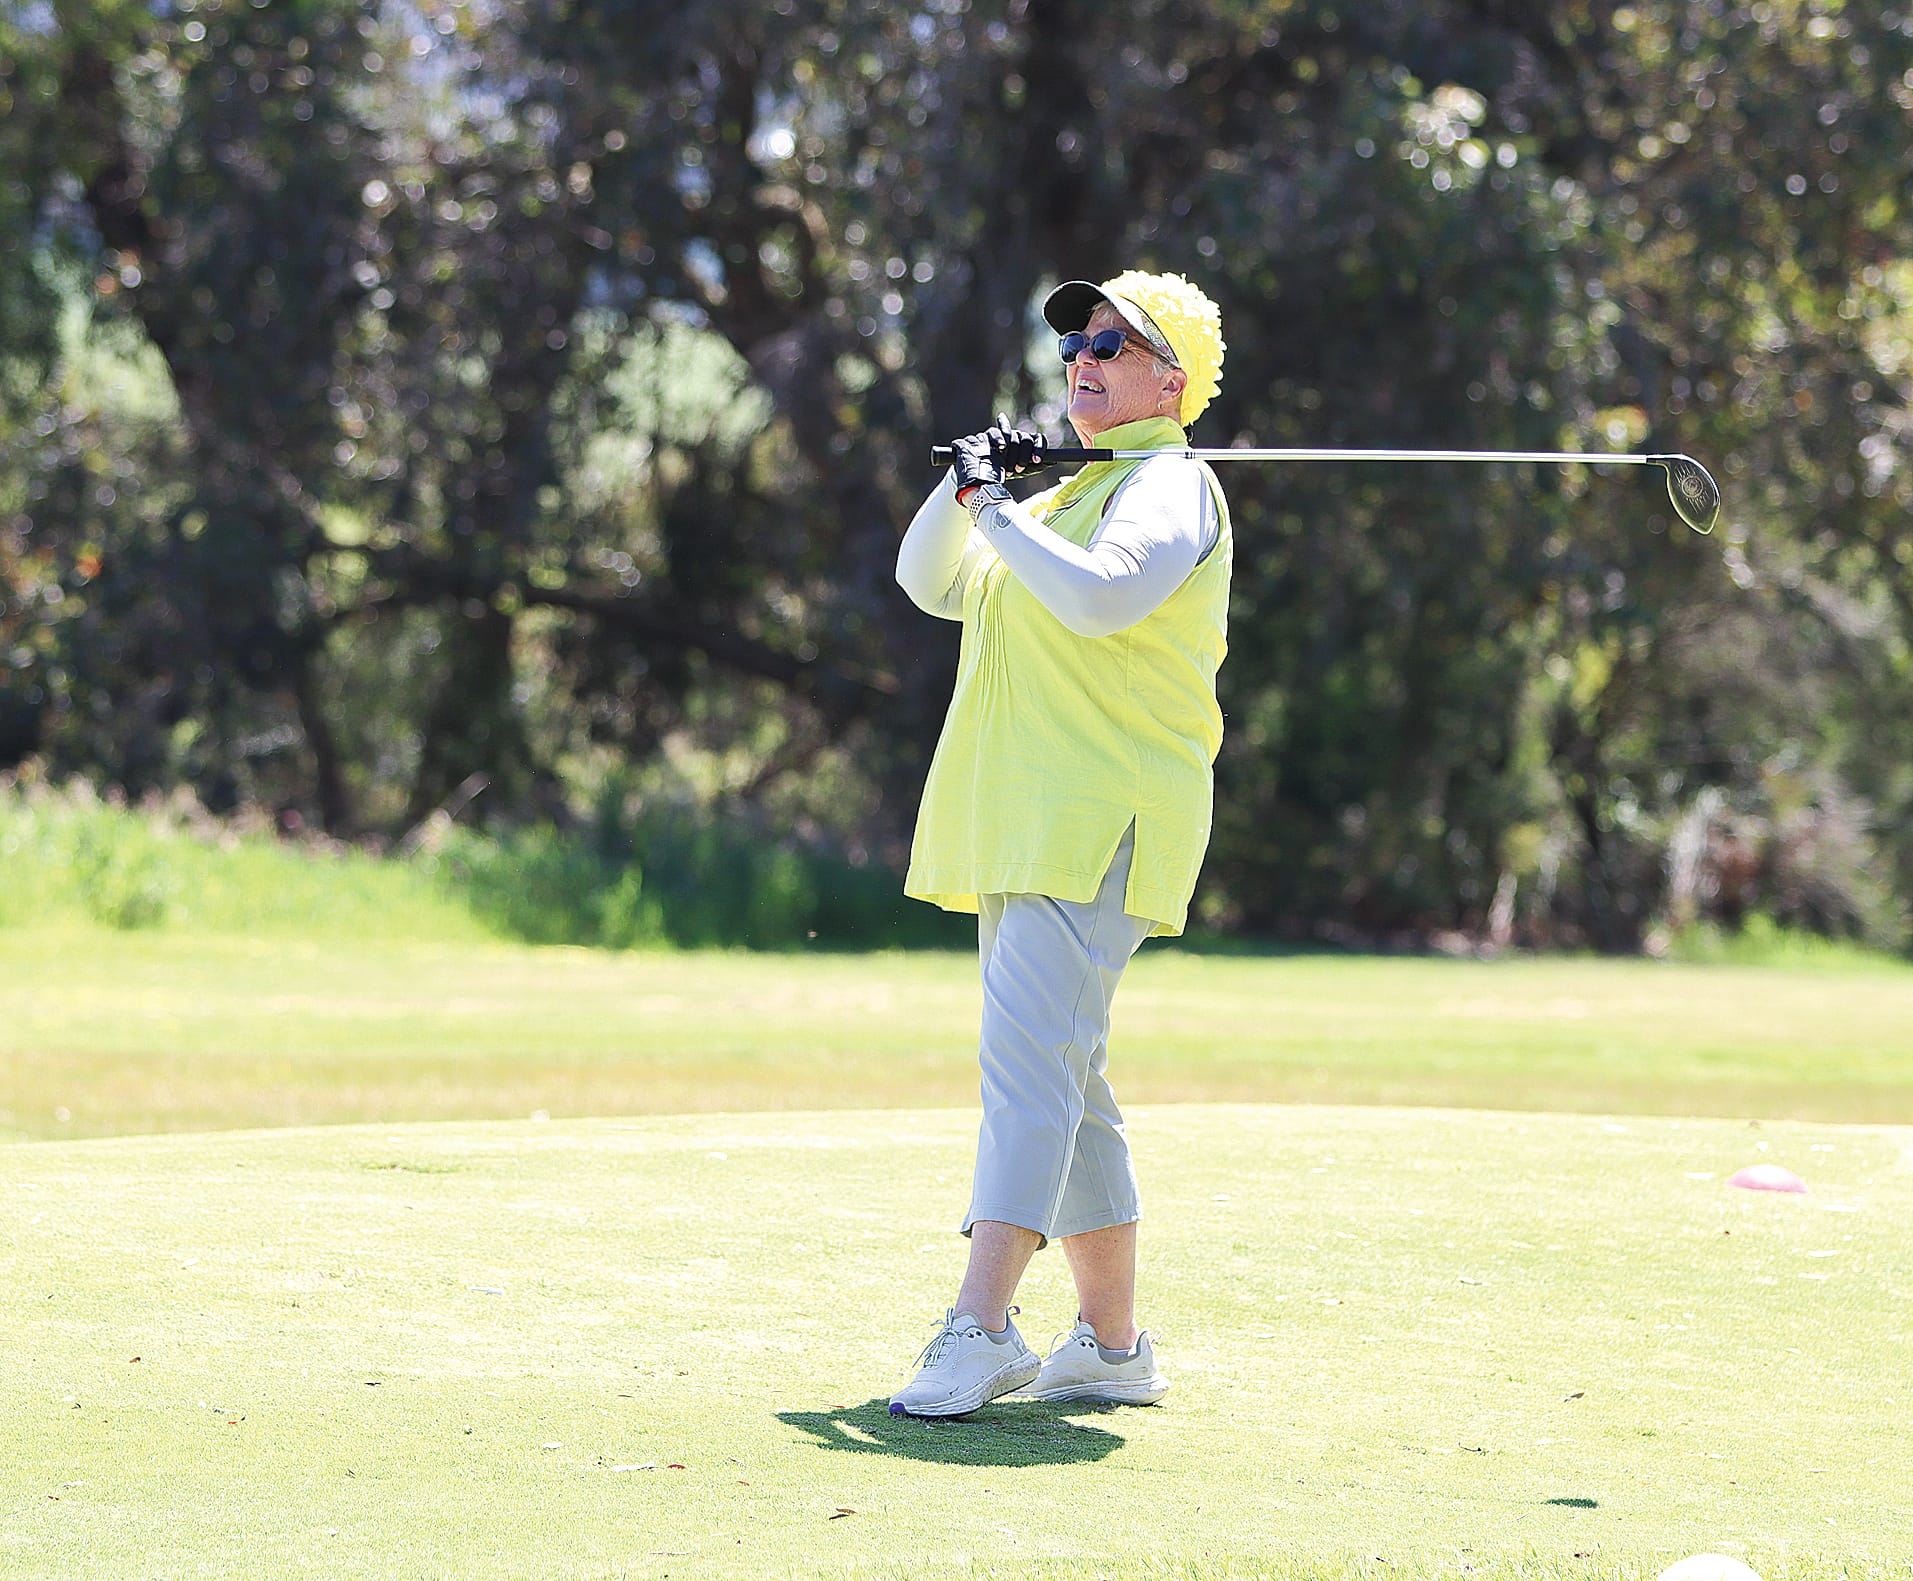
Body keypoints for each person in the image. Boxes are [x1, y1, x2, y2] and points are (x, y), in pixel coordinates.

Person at [889, 270, 1231, 1418]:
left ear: (1169, 382)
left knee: (1028, 1072)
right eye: (1075, 343)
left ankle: (981, 1326)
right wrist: (966, 490)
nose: (1080, 358)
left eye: (1111, 344)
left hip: (1101, 820)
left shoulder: (1169, 487)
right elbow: (924, 582)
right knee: (1067, 1081)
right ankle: (1112, 1348)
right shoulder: (1063, 498)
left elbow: (1098, 603)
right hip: (1027, 817)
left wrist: (994, 510)